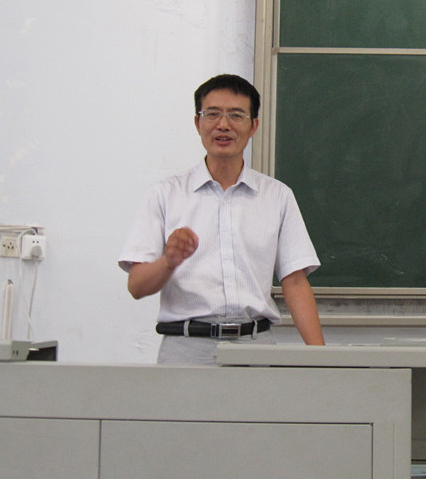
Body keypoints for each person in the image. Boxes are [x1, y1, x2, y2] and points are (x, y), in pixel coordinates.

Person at [118, 73, 324, 364]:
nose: (223, 125)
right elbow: (137, 287)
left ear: (253, 126)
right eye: (212, 114)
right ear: (197, 123)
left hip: (256, 347)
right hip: (185, 351)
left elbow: (295, 282)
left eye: (236, 115)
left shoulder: (277, 196)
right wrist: (169, 261)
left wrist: (322, 359)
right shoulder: (164, 195)